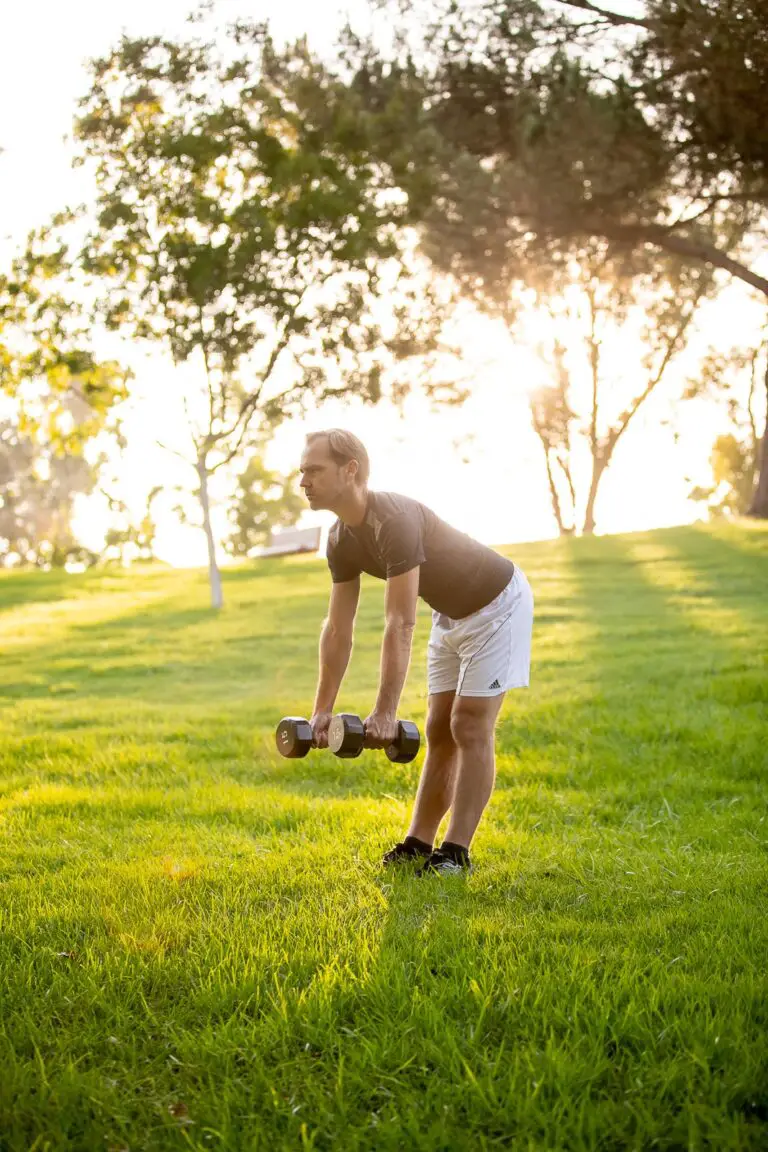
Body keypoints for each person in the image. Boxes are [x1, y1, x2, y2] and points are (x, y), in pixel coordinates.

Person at [300, 428, 534, 876]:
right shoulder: (339, 540)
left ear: (350, 471)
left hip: (498, 604)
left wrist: (385, 712)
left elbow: (398, 622)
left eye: (314, 470)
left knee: (468, 723)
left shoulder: (396, 519)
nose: (303, 481)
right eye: (302, 472)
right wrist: (321, 712)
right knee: (437, 727)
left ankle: (456, 852)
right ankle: (418, 842)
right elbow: (338, 629)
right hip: (448, 615)